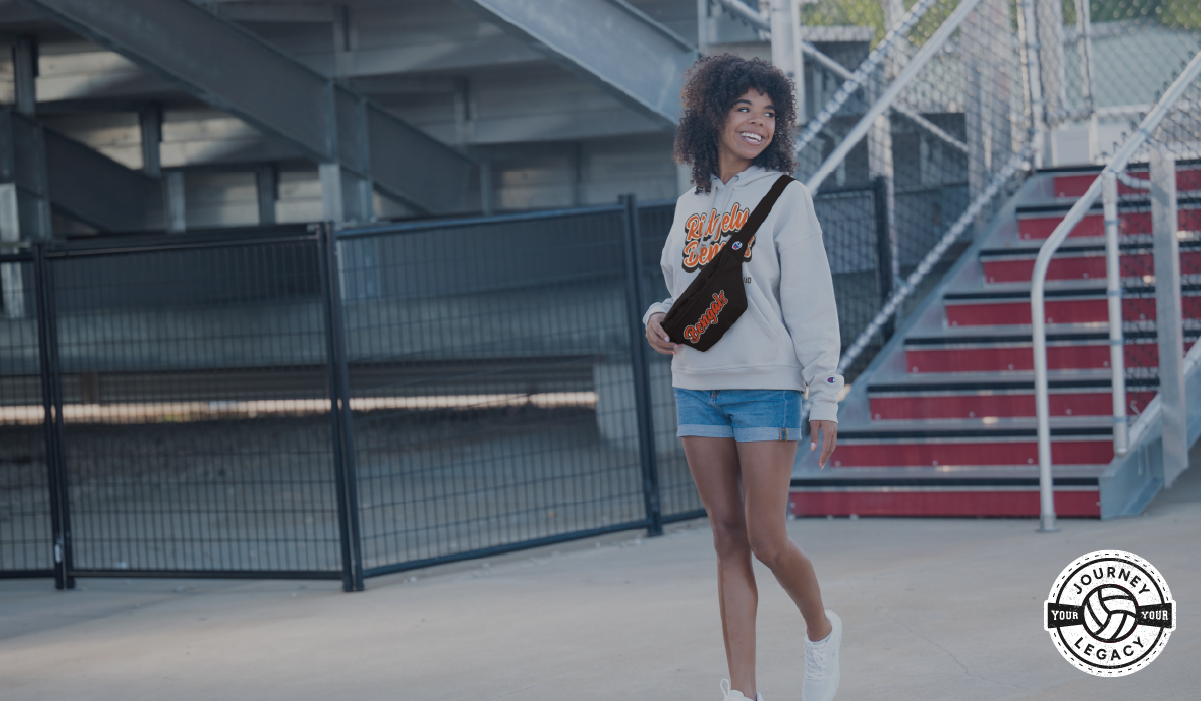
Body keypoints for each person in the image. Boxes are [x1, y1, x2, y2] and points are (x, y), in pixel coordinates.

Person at [643, 55, 843, 701]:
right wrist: (655, 317)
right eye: (743, 108)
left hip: (767, 384)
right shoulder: (687, 204)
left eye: (768, 111)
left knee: (765, 538)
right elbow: (677, 292)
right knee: (726, 536)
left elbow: (810, 302)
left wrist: (824, 393)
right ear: (713, 114)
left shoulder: (787, 197)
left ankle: (819, 628)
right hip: (695, 381)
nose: (757, 121)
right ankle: (742, 691)